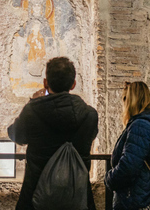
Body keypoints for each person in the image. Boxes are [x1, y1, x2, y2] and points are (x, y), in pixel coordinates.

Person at [8, 57, 98, 210]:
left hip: (36, 195)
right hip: (77, 195)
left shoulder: (32, 111)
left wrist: (32, 102)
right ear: (73, 84)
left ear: (45, 83)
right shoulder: (90, 115)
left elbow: (15, 135)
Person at [104, 81, 150, 210]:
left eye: (124, 99)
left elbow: (129, 166)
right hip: (147, 195)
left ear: (129, 101)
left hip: (138, 199)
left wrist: (109, 179)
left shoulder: (139, 126)